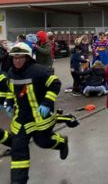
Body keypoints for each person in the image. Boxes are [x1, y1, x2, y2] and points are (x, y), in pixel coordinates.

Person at [4, 42, 68, 184]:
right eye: (15, 58)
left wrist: (46, 102)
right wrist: (9, 102)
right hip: (21, 118)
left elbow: (55, 83)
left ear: (27, 58)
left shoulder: (38, 70)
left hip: (40, 117)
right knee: (18, 149)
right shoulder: (10, 73)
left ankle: (62, 142)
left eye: (20, 58)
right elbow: (10, 90)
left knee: (43, 142)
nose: (17, 61)